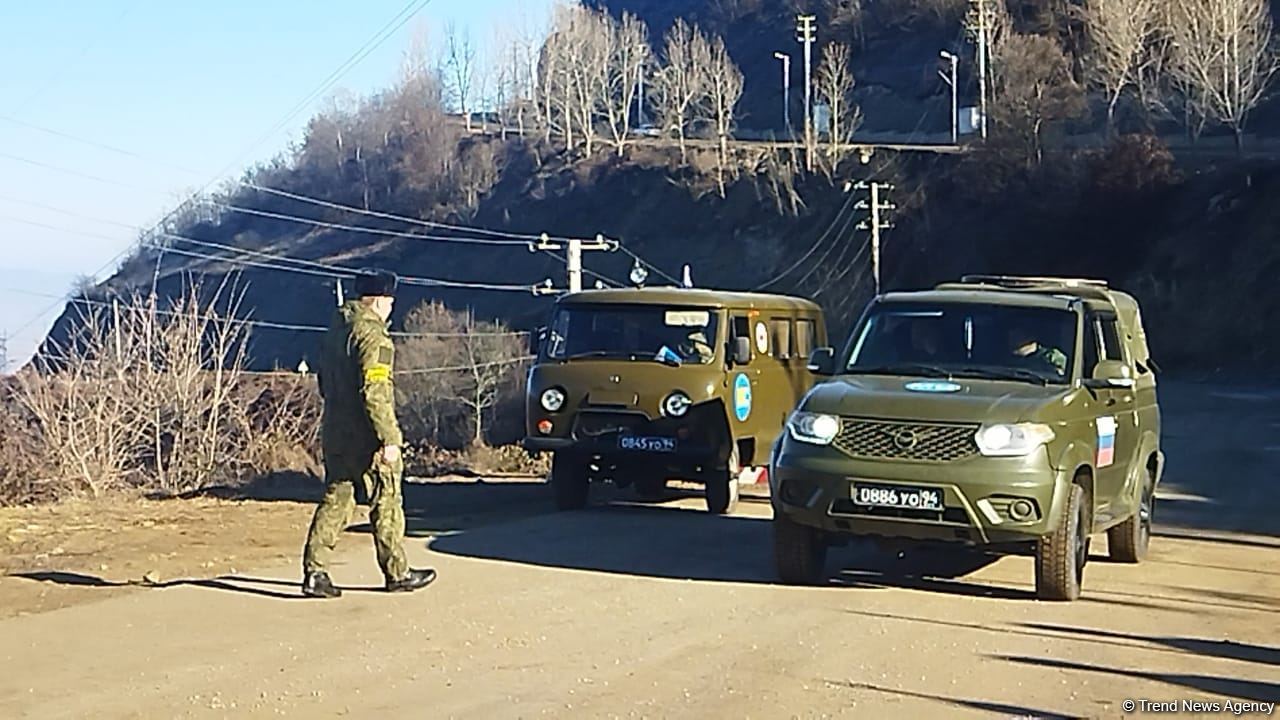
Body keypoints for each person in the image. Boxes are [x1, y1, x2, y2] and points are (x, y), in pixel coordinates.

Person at [301, 269, 436, 599]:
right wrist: (389, 438)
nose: (392, 308)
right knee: (387, 499)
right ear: (380, 301)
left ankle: (315, 571)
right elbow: (375, 390)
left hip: (336, 427)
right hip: (367, 433)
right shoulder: (373, 337)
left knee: (337, 498)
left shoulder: (335, 332)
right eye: (390, 301)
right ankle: (397, 571)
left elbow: (323, 382)